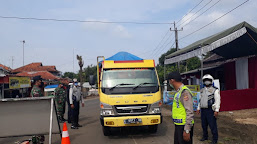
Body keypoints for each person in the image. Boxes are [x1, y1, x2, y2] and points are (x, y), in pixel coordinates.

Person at [168, 72, 194, 144]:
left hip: (184, 126)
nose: (169, 83)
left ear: (172, 80)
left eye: (169, 81)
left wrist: (187, 130)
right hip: (178, 125)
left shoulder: (184, 92)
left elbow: (189, 111)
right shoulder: (178, 92)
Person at [197, 74, 220, 144]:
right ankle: (205, 136)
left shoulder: (215, 90)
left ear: (211, 81)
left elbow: (218, 101)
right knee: (204, 124)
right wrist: (198, 108)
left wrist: (216, 110)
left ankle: (215, 139)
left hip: (210, 110)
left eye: (208, 80)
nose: (207, 82)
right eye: (205, 80)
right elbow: (200, 100)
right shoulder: (202, 90)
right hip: (203, 110)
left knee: (212, 125)